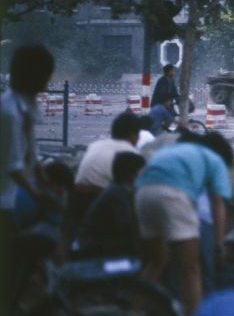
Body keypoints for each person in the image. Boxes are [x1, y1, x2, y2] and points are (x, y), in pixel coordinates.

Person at [135, 131, 234, 316]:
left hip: (143, 193)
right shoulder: (215, 159)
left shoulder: (176, 150)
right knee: (191, 267)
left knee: (156, 261)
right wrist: (219, 244)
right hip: (172, 195)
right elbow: (217, 204)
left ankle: (133, 315)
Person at [1, 44, 55, 232]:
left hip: (15, 196)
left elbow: (32, 153)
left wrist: (46, 183)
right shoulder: (9, 112)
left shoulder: (25, 107)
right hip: (6, 202)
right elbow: (13, 165)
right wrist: (38, 195)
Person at [67, 112, 141, 242]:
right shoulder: (130, 153)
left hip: (74, 199)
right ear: (134, 135)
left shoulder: (96, 145)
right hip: (98, 201)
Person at [72, 152, 146, 259]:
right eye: (141, 172)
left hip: (104, 246)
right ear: (132, 175)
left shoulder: (119, 190)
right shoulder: (117, 193)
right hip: (97, 251)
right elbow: (127, 228)